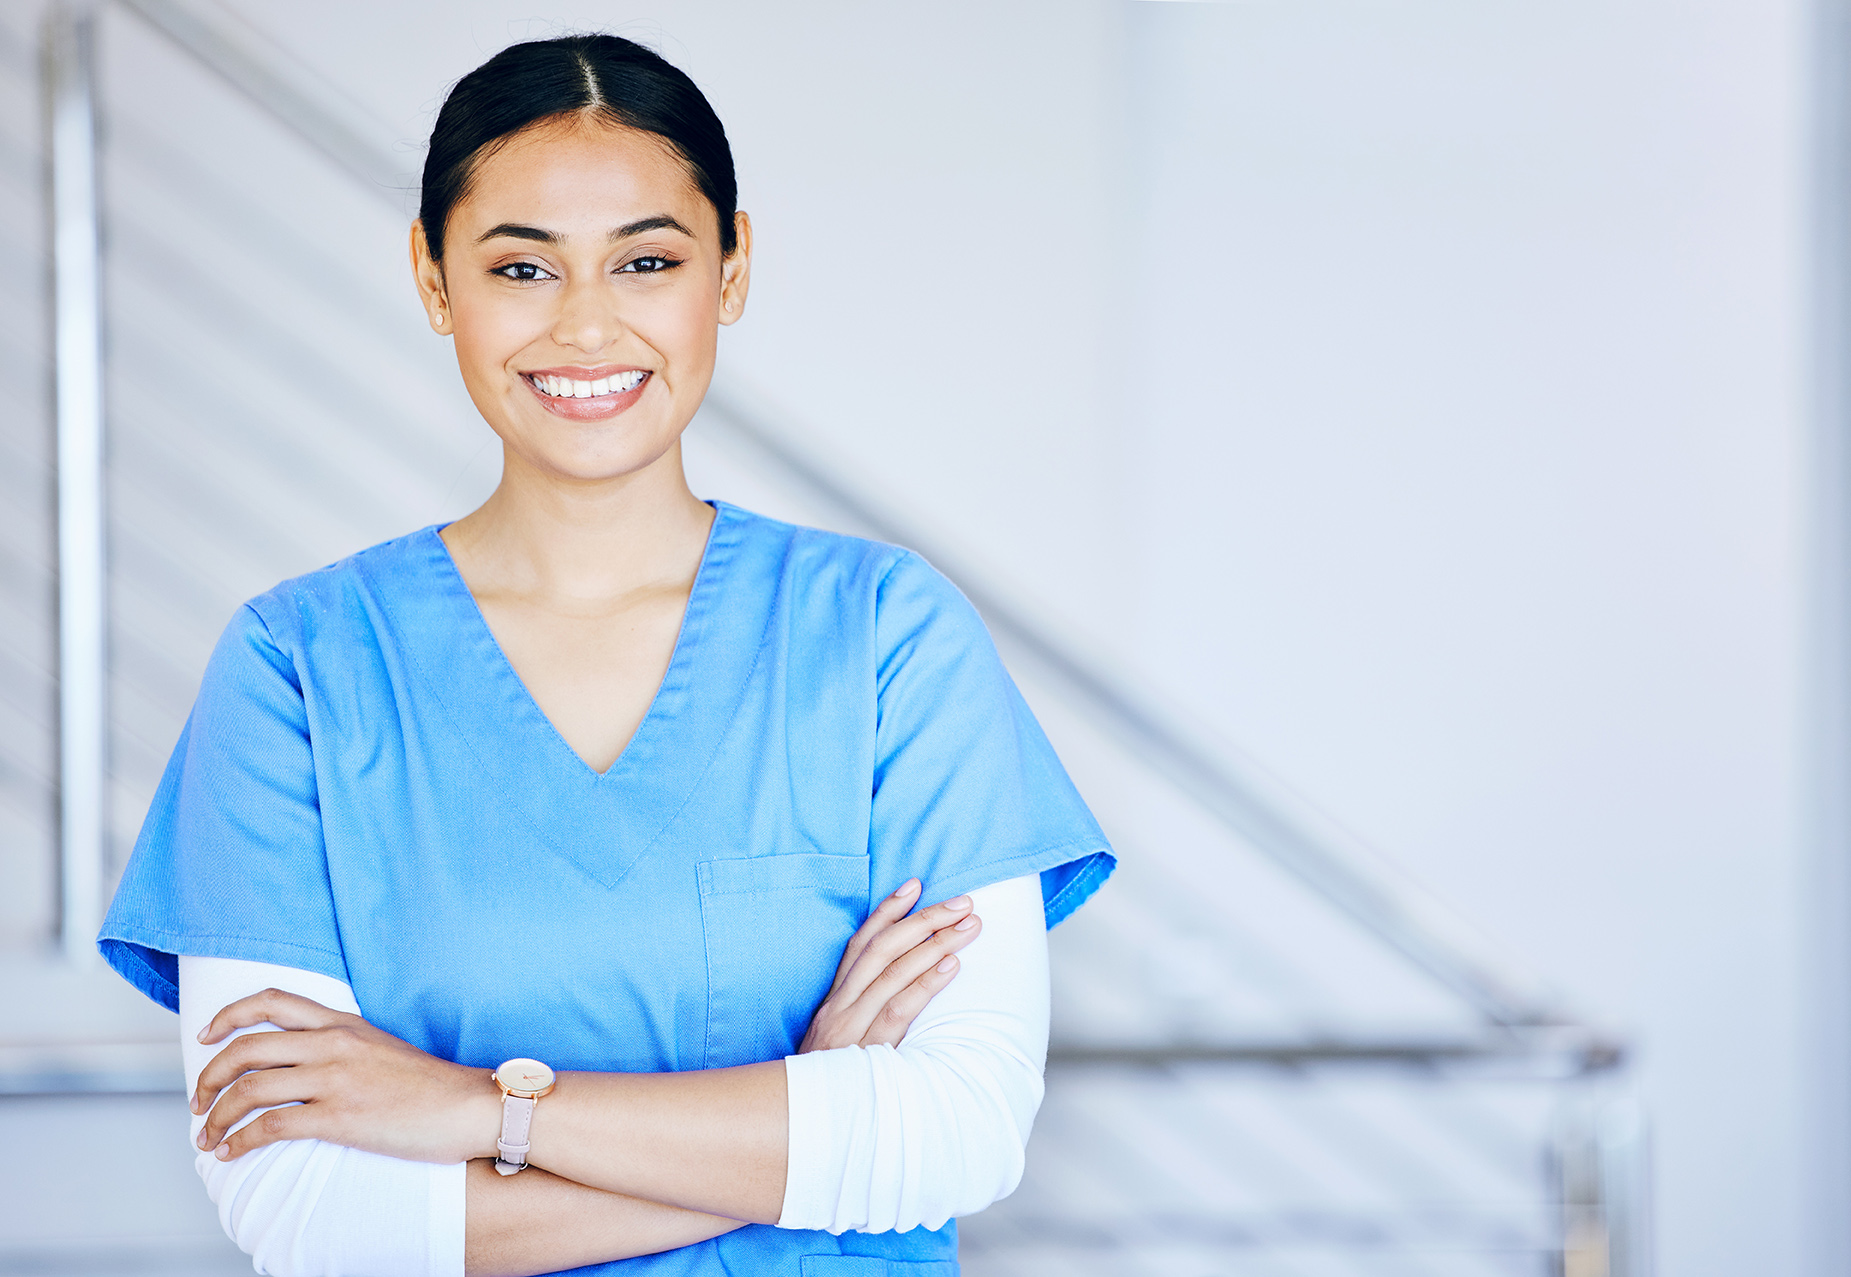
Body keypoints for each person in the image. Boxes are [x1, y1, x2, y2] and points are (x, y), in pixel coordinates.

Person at [98, 32, 1113, 1277]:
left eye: (647, 259)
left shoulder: (887, 636)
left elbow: (960, 1130)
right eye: (522, 265)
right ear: (432, 280)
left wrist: (480, 1110)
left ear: (732, 268)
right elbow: (311, 1214)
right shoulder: (297, 669)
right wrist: (814, 1116)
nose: (586, 326)